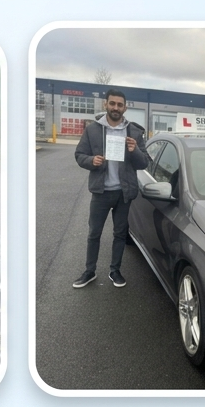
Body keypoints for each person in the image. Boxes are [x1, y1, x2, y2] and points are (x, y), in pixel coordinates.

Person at [73, 89, 149, 288]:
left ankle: (115, 271)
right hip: (101, 192)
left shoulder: (134, 131)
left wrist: (134, 151)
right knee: (94, 233)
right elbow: (80, 155)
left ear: (125, 107)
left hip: (124, 194)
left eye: (120, 104)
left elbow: (143, 163)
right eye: (112, 103)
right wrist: (92, 160)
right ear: (105, 104)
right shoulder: (93, 130)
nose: (116, 108)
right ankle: (89, 271)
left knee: (119, 234)